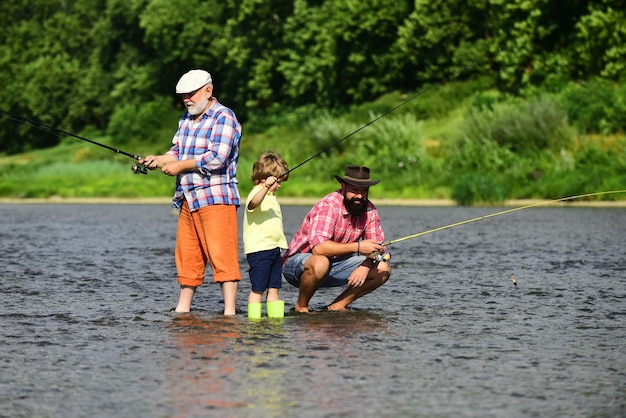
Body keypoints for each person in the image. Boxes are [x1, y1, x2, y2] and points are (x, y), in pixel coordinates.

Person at [140, 69, 242, 315]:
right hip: (188, 198)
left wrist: (180, 166)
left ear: (208, 90)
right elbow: (176, 152)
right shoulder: (185, 119)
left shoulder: (224, 117)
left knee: (222, 257)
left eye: (191, 94)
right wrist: (159, 159)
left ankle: (229, 313)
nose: (187, 99)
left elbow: (217, 157)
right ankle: (182, 310)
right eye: (184, 95)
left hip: (216, 198)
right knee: (188, 258)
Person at [282, 165, 391, 312]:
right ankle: (301, 307)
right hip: (299, 266)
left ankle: (336, 306)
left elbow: (377, 248)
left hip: (335, 265)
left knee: (383, 268)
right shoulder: (329, 206)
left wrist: (366, 264)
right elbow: (319, 249)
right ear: (343, 186)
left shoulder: (370, 210)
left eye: (364, 191)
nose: (360, 196)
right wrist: (358, 247)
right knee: (321, 261)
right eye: (355, 190)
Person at [243, 151, 289, 318]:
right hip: (259, 250)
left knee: (274, 287)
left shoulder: (272, 196)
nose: (280, 185)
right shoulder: (257, 192)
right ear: (266, 177)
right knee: (258, 288)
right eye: (278, 181)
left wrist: (269, 188)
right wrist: (266, 187)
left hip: (274, 249)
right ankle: (254, 322)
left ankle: (275, 320)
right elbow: (253, 203)